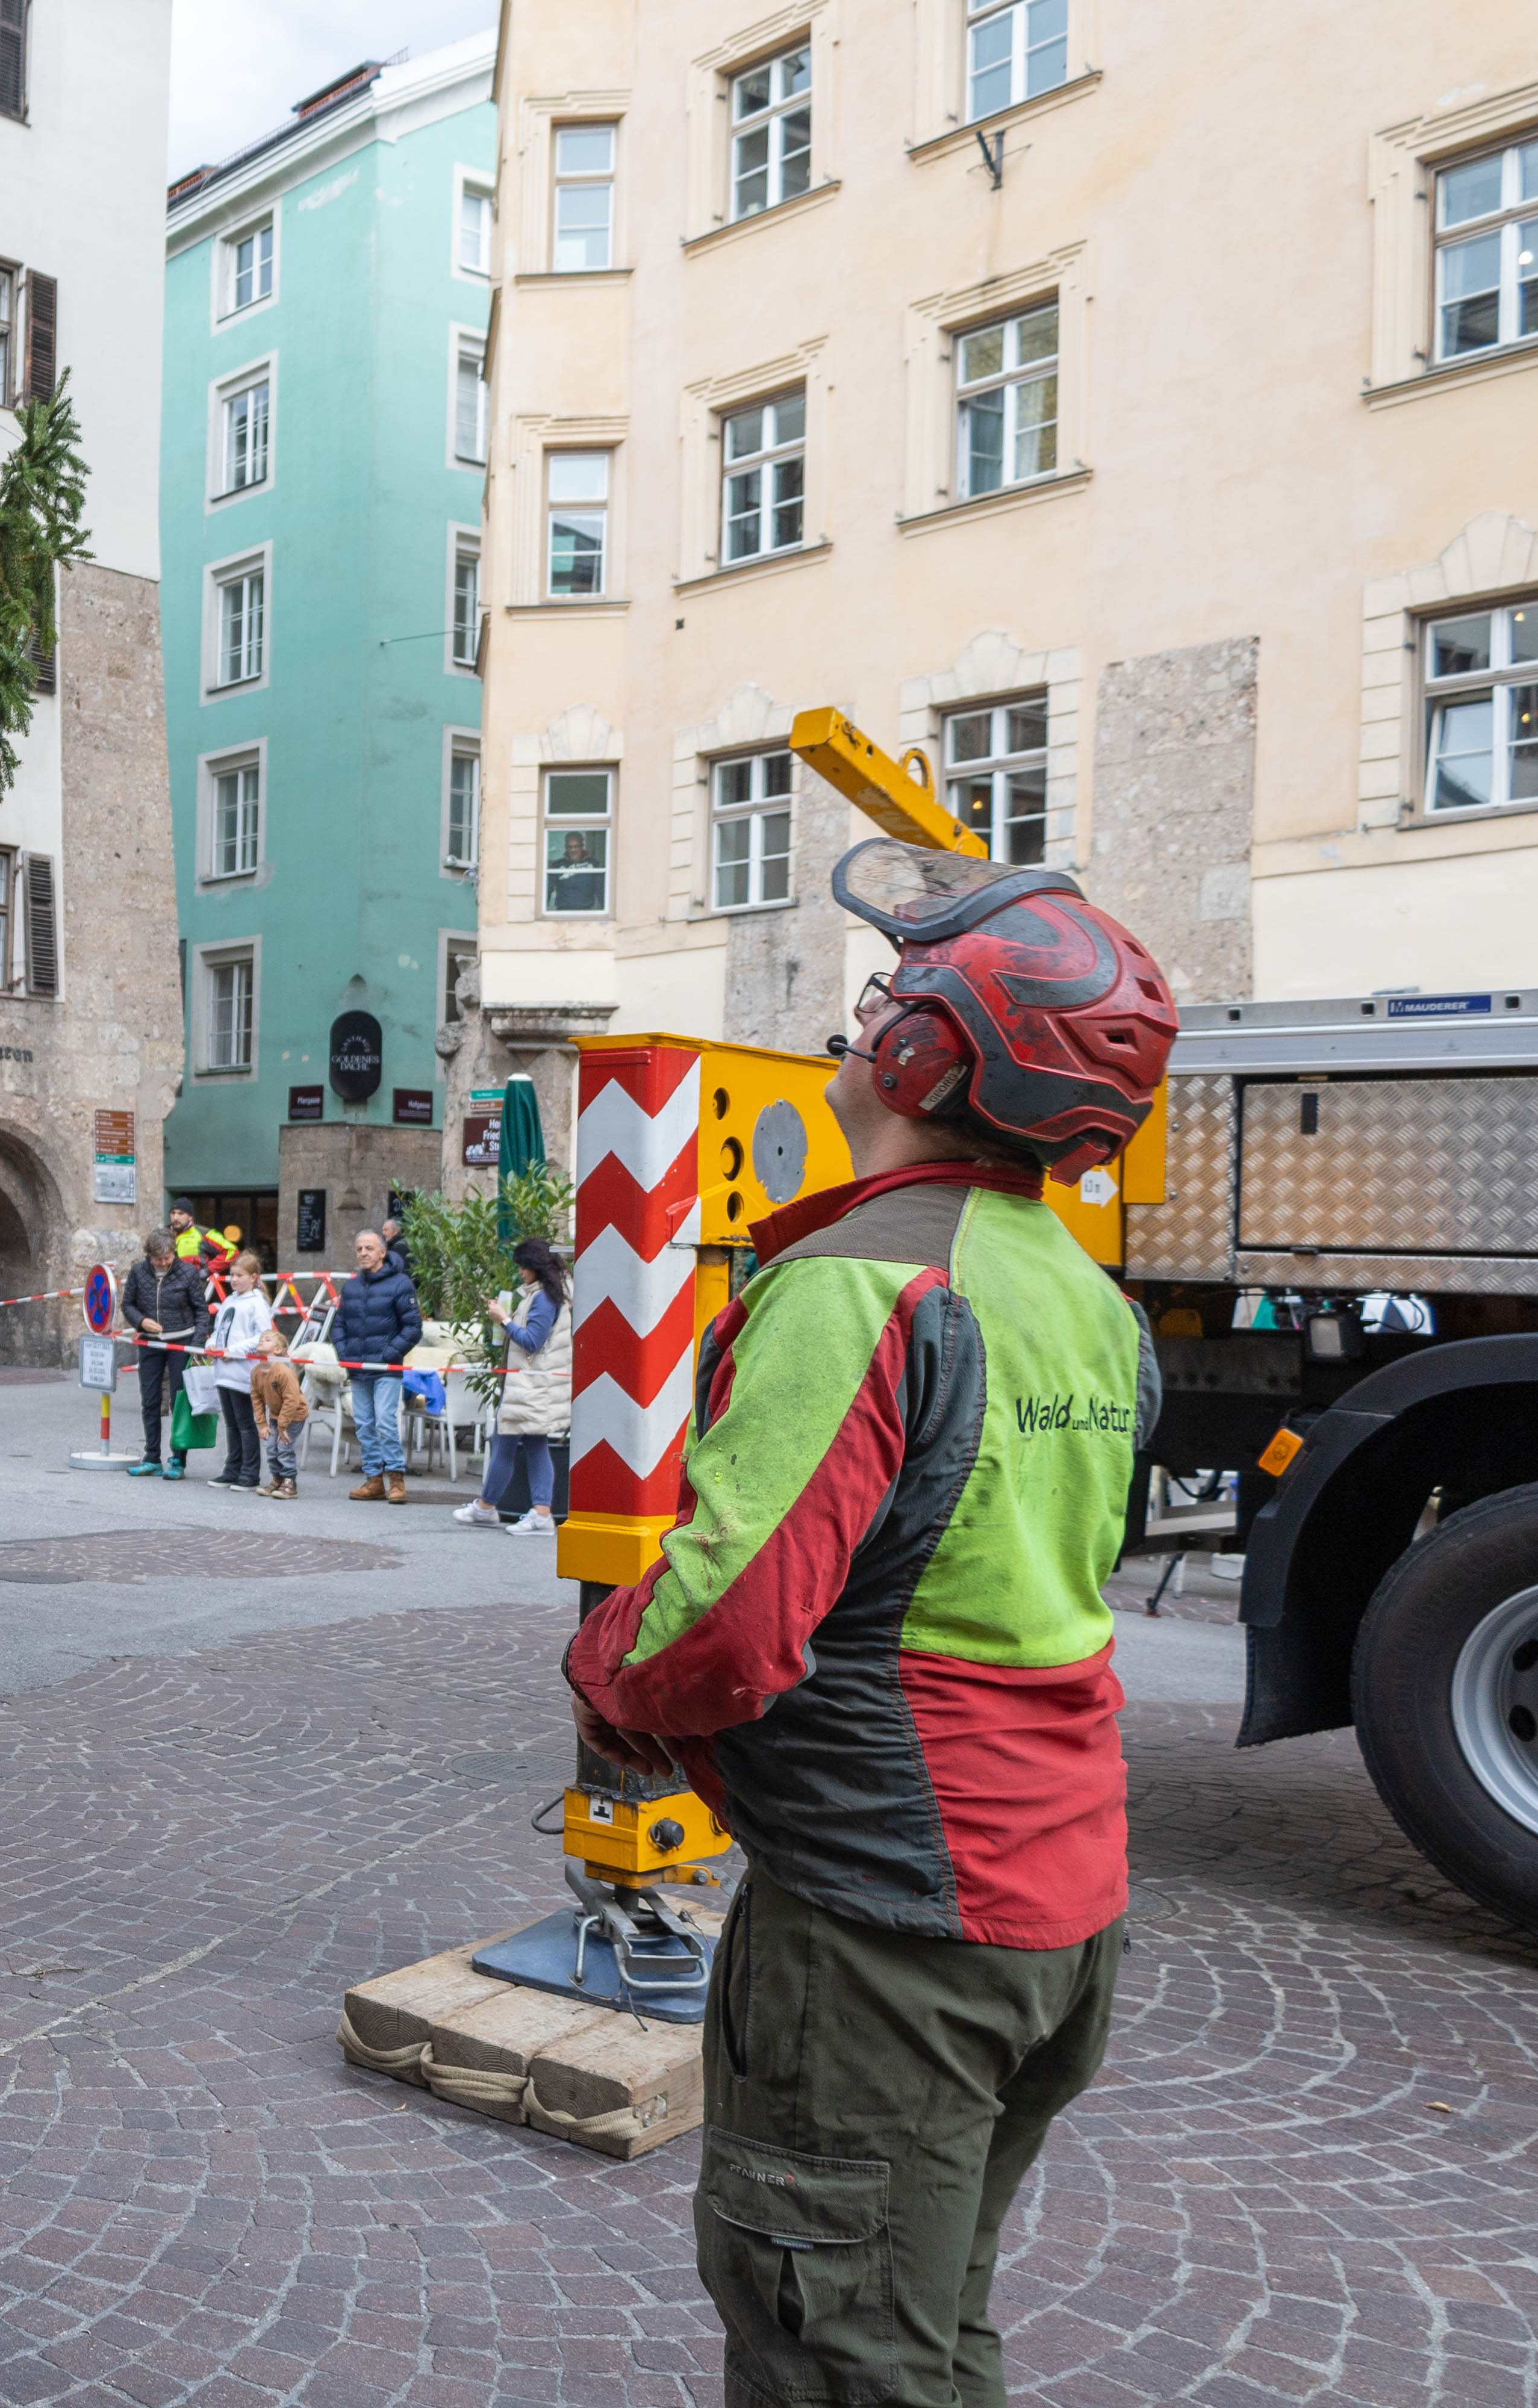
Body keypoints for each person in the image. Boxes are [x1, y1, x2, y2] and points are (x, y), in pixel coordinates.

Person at [564, 841, 1178, 2408]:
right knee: (932, 2325)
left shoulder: (867, 1286)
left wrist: (603, 1676)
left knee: (838, 2346)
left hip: (890, 1934)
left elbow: (720, 1634)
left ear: (922, 1050)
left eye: (888, 992)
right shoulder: (1089, 1302)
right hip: (1058, 1911)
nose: (863, 1016)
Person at [456, 1239, 575, 1537]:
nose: (521, 1271)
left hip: (532, 1385)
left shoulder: (544, 1299)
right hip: (536, 1384)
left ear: (537, 1267)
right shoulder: (549, 1293)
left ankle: (489, 1508)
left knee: (507, 1442)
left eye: (524, 1266)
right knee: (531, 1446)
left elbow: (532, 1341)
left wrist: (504, 1319)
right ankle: (535, 1512)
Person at [325, 1227, 422, 1504]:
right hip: (357, 1367)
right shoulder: (352, 1286)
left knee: (385, 1423)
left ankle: (396, 1479)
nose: (363, 1253)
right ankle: (373, 1480)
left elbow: (413, 1327)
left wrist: (388, 1355)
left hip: (387, 1369)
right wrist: (343, 1353)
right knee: (364, 1425)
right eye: (359, 1249)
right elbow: (340, 1324)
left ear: (383, 1252)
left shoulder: (401, 1283)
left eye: (369, 1248)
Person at [120, 1232, 206, 1480]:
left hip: (182, 1341)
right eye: (159, 1260)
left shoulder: (188, 1273)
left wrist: (196, 1345)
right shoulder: (138, 1272)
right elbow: (128, 1305)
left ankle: (178, 1460)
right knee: (150, 1400)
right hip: (151, 1343)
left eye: (168, 1258)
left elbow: (201, 1311)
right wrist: (141, 1321)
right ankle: (152, 1458)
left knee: (179, 1402)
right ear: (149, 1256)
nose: (165, 1263)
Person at [201, 1251, 278, 1492]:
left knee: (246, 1425)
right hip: (224, 1371)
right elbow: (219, 1330)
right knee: (232, 1424)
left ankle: (249, 1473)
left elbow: (262, 1337)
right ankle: (232, 1469)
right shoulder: (230, 1301)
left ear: (254, 1278)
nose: (234, 1280)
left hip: (244, 1372)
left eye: (239, 1276)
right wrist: (211, 1344)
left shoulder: (257, 1304)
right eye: (232, 1275)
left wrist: (232, 1350)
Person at [248, 1342, 310, 1500]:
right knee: (271, 1448)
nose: (262, 1340)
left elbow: (292, 1400)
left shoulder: (284, 1373)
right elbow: (256, 1398)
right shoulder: (256, 1372)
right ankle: (277, 1479)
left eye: (268, 1339)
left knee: (284, 1447)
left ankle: (290, 1482)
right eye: (262, 1338)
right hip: (276, 1417)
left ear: (278, 1350)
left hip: (294, 1416)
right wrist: (262, 1424)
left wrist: (283, 1426)